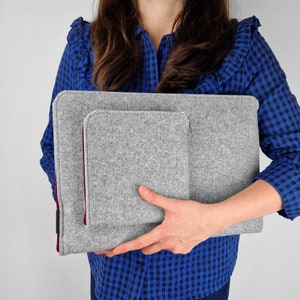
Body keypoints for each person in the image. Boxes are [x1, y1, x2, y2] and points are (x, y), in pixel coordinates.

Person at [40, 0, 300, 299]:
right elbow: (55, 148)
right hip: (112, 279)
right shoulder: (84, 46)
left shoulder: (242, 50)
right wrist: (81, 214)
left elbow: (296, 157)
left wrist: (212, 218)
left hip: (200, 280)